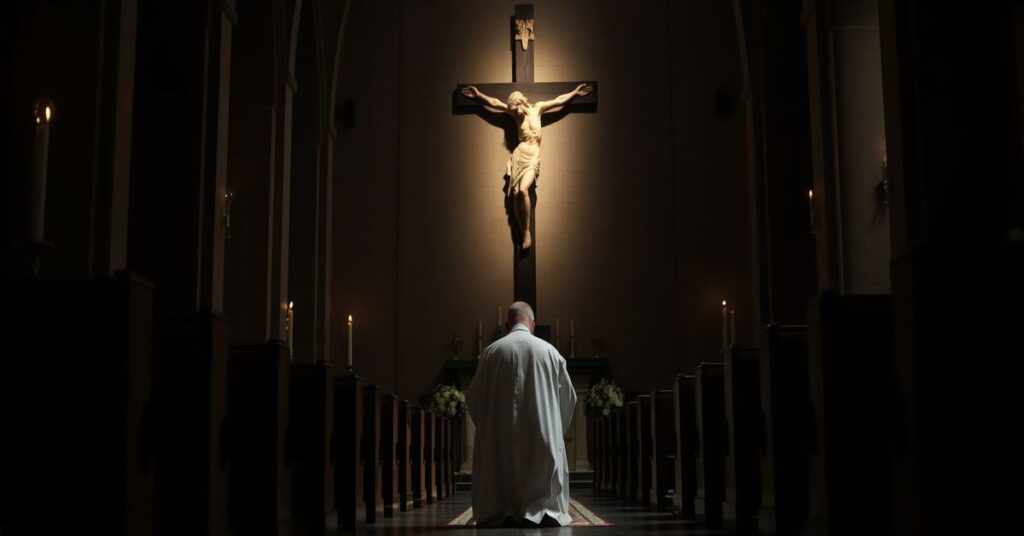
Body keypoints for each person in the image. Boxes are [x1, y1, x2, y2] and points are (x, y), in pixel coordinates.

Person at [466, 302, 577, 527]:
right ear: (533, 324)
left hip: (499, 438)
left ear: (507, 324)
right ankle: (543, 509)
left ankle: (501, 508)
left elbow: (474, 398)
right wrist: (555, 430)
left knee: (500, 463)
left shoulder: (491, 352)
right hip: (541, 438)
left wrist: (488, 428)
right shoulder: (549, 352)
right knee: (543, 459)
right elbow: (569, 399)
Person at [461, 83, 592, 250]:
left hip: (532, 158)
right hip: (519, 155)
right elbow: (495, 103)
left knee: (523, 190)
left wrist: (575, 92)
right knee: (514, 194)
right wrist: (479, 95)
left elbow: (558, 101)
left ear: (521, 102)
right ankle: (522, 231)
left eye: (516, 109)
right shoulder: (514, 114)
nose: (516, 113)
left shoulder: (538, 109)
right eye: (513, 111)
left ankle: (527, 232)